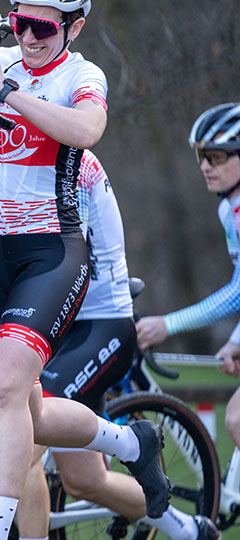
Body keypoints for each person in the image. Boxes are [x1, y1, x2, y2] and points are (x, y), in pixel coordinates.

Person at [0, 1, 170, 538]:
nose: (28, 37)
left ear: (74, 26)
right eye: (21, 23)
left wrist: (7, 92)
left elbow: (87, 130)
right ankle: (131, 443)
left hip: (51, 253)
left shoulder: (81, 76)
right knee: (27, 413)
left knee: (2, 393)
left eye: (42, 27)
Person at [11, 151, 220, 540]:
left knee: (20, 438)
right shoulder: (21, 160)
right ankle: (190, 531)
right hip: (65, 329)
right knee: (85, 480)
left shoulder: (71, 163)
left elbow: (63, 260)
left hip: (100, 328)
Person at [137, 103, 240, 451]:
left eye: (217, 156)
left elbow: (238, 291)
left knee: (236, 419)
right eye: (201, 156)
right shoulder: (229, 210)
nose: (205, 166)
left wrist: (169, 324)